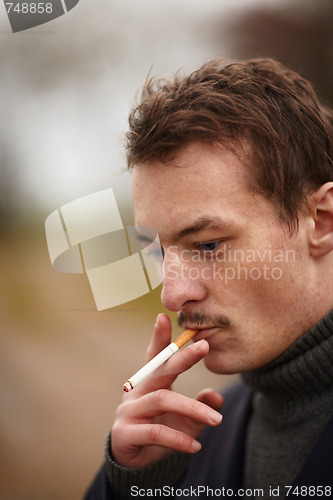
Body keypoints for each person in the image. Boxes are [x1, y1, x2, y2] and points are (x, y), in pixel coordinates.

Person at [84, 58, 333, 499]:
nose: (173, 294)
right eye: (159, 250)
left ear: (322, 221)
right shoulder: (196, 435)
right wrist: (141, 484)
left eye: (208, 245)